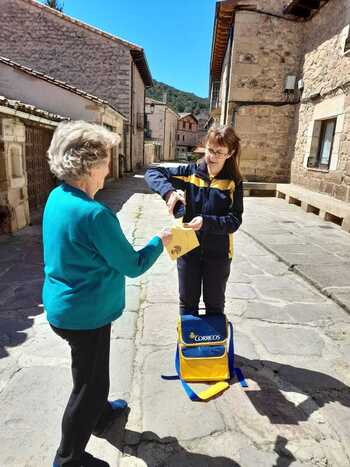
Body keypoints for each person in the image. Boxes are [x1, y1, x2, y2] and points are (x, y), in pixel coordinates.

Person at [42, 121, 171, 467]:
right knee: (90, 387)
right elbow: (133, 264)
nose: (110, 167)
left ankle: (99, 418)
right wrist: (162, 241)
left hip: (65, 308)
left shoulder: (58, 197)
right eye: (106, 160)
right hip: (86, 315)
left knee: (89, 374)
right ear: (89, 165)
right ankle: (68, 459)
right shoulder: (96, 214)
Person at [145, 125, 243, 315]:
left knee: (215, 306)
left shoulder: (234, 182)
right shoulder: (190, 172)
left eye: (219, 152)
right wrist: (169, 193)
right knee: (187, 304)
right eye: (210, 149)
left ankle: (213, 345)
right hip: (187, 249)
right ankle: (188, 344)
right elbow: (152, 173)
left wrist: (206, 221)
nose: (212, 156)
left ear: (230, 153)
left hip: (219, 254)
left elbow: (234, 221)